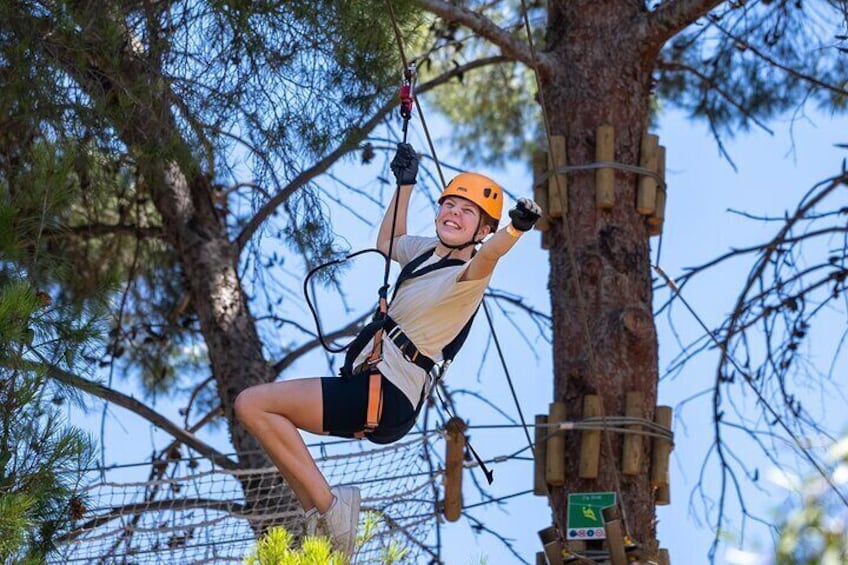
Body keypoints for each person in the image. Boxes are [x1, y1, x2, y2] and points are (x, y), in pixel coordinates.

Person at [234, 143, 541, 559]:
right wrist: (406, 184)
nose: (453, 213)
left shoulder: (469, 277)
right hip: (374, 388)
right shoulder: (424, 254)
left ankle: (329, 508)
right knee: (261, 413)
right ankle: (323, 520)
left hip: (390, 393)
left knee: (254, 404)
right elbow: (388, 241)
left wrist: (515, 229)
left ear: (483, 229)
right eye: (448, 205)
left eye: (467, 212)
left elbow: (490, 256)